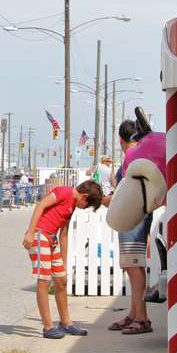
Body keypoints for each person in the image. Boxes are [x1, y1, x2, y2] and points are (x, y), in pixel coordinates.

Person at [24, 180, 104, 338]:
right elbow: (41, 205)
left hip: (52, 240)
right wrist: (30, 233)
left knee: (61, 281)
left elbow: (64, 234)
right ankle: (48, 327)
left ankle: (66, 323)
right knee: (44, 280)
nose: (85, 208)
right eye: (87, 205)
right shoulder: (65, 192)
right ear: (84, 196)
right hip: (40, 235)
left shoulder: (72, 205)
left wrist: (65, 263)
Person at [108, 120, 155, 334]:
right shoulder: (143, 155)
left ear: (121, 141)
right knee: (131, 265)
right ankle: (135, 313)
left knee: (134, 266)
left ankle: (141, 317)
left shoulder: (132, 156)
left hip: (133, 215)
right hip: (138, 214)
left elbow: (124, 190)